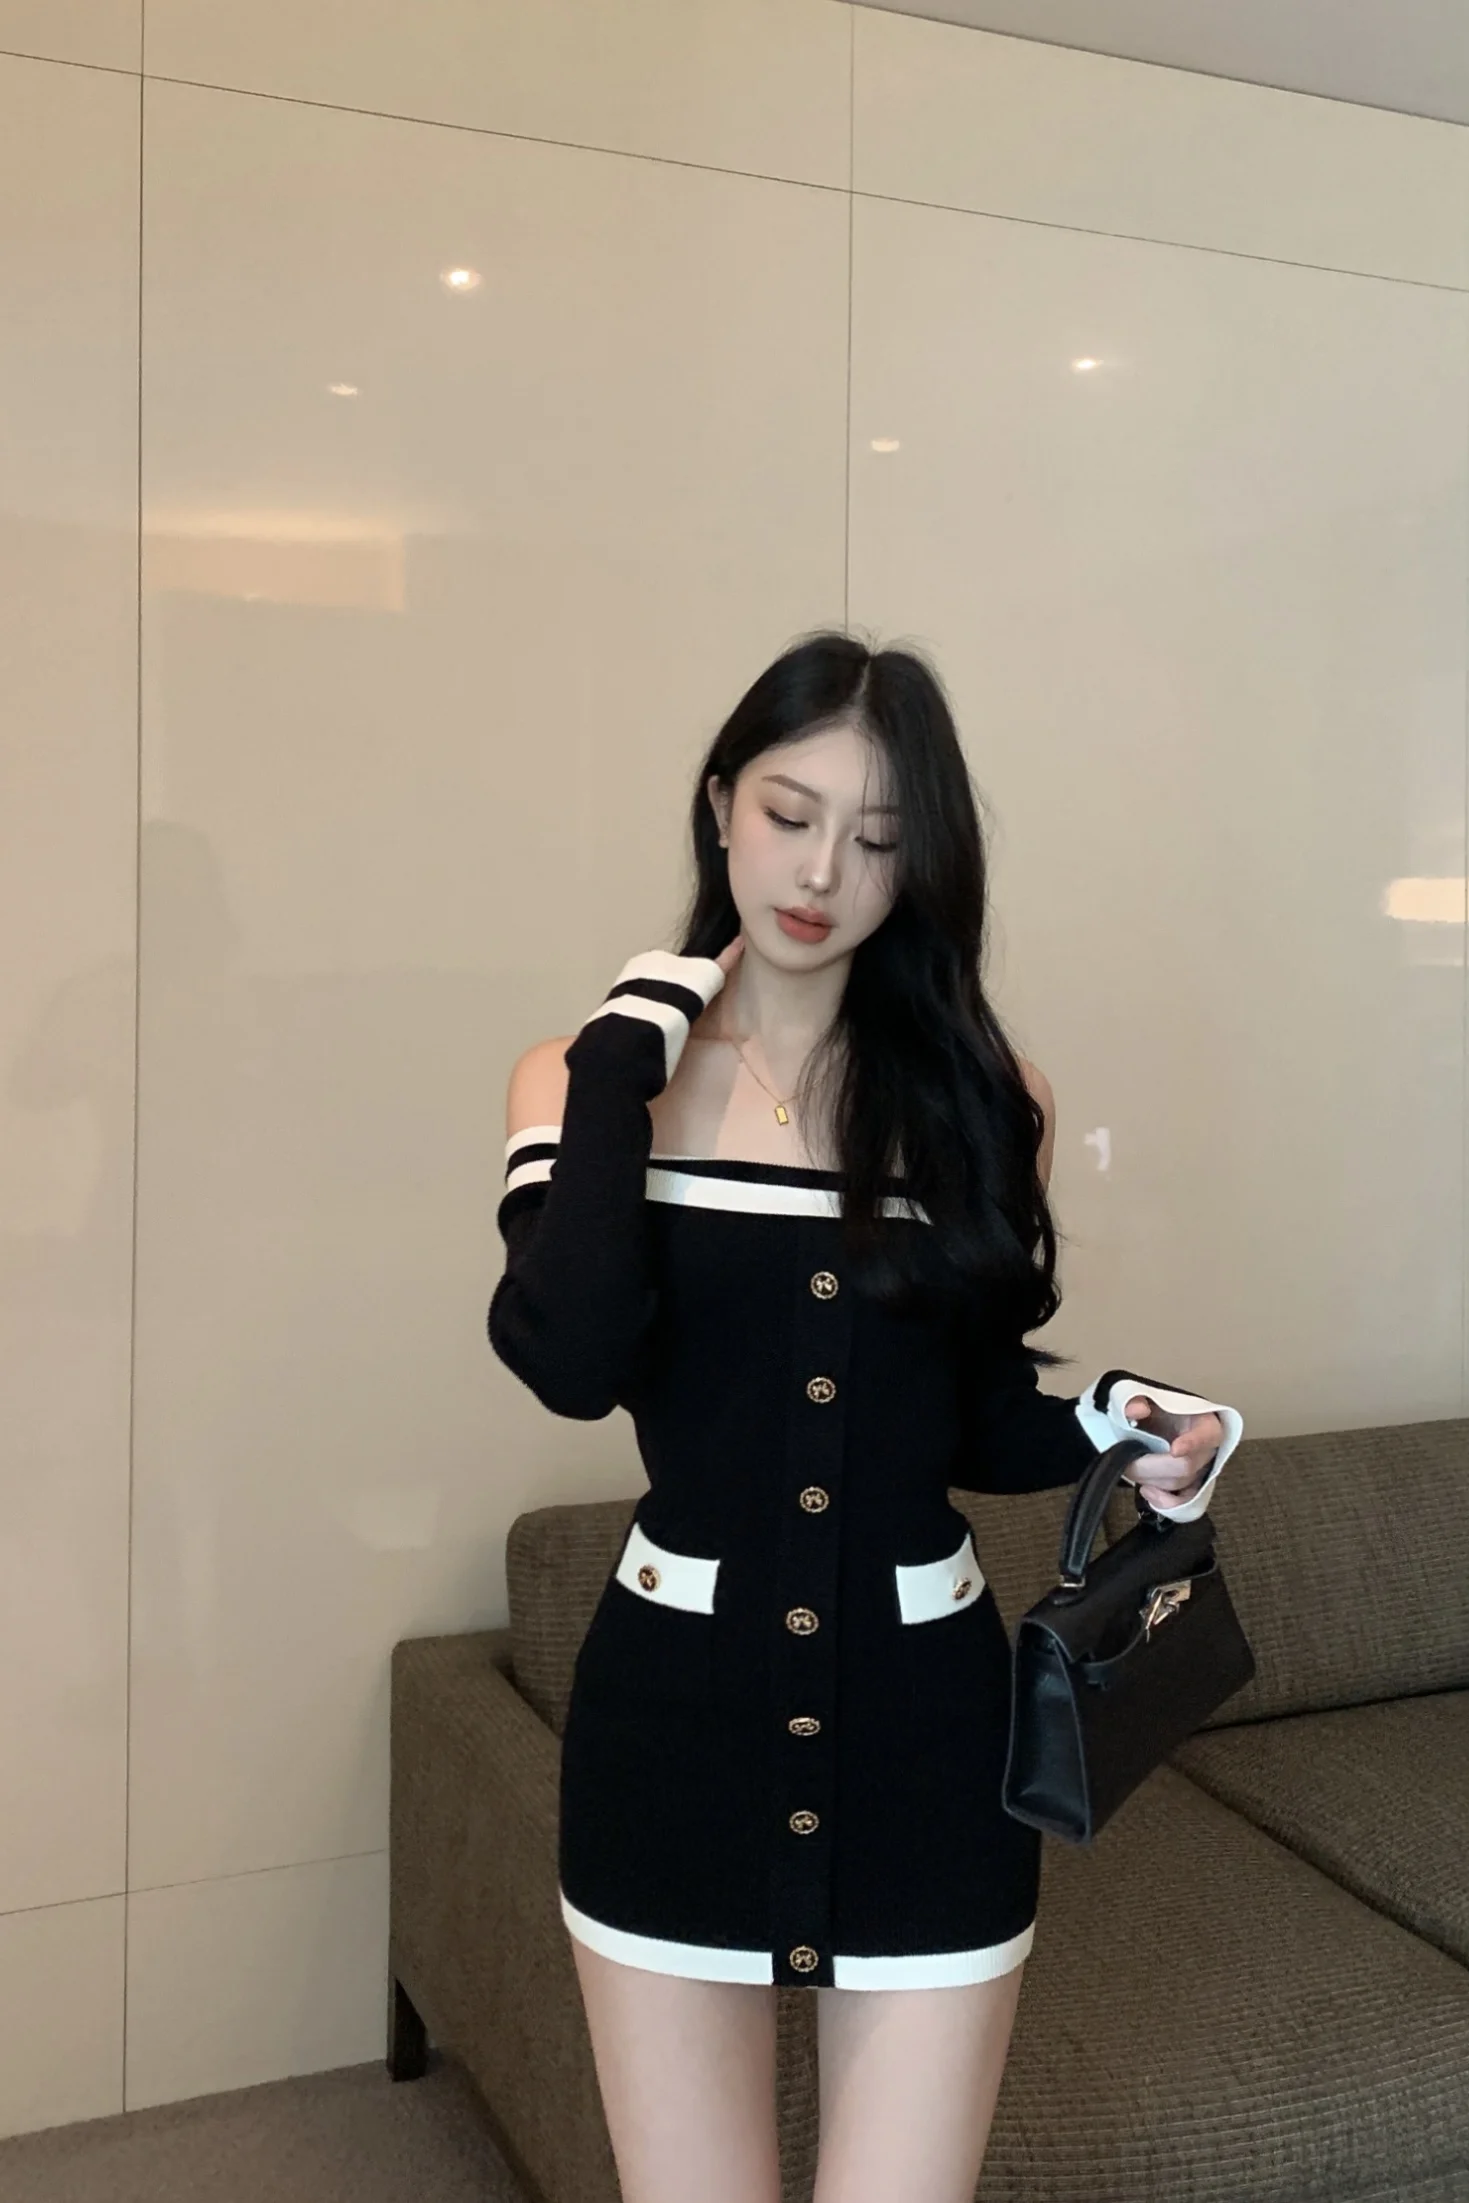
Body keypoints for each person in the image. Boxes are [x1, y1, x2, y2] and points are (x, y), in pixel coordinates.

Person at [487, 630, 1243, 2203]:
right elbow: (571, 1357)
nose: (824, 869)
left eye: (880, 837)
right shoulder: (579, 1079)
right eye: (790, 813)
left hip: (928, 1745)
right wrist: (622, 1079)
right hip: (670, 1734)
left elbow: (971, 1418)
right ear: (720, 806)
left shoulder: (989, 1099)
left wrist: (1124, 1424)